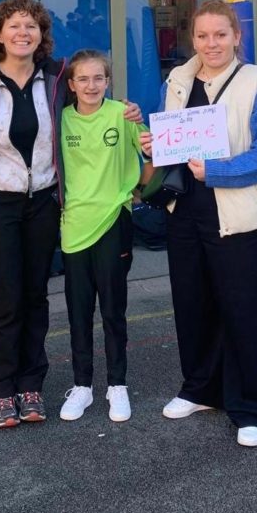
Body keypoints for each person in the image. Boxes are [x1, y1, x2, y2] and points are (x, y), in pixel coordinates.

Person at [0, 0, 141, 429]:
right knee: (6, 300)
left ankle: (31, 384)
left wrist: (129, 113)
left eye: (32, 26)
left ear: (42, 35)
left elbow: (92, 104)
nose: (23, 33)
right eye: (14, 25)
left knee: (36, 294)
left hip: (43, 201)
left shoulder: (57, 78)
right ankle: (2, 389)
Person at [140, 0, 257, 448]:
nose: (211, 44)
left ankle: (254, 408)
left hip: (243, 216)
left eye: (220, 35)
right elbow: (173, 146)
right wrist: (154, 147)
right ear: (193, 39)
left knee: (249, 312)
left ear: (236, 36)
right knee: (194, 304)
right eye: (203, 36)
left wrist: (218, 171)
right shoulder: (178, 80)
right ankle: (201, 388)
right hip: (187, 212)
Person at [58, 50, 150, 424]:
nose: (91, 85)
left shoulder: (123, 115)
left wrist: (150, 137)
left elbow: (151, 152)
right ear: (71, 85)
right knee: (79, 312)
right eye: (83, 79)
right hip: (73, 226)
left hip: (114, 220)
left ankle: (117, 384)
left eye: (99, 78)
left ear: (108, 82)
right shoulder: (60, 120)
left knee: (113, 309)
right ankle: (82, 385)